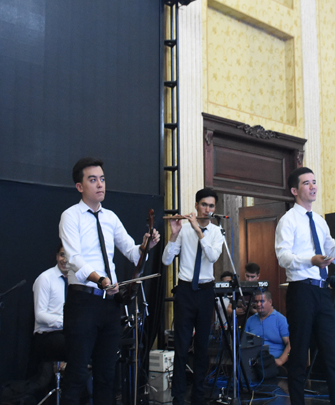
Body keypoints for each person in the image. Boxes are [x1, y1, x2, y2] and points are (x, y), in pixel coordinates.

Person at [59, 157, 160, 405]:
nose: (100, 184)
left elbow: (132, 252)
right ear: (80, 186)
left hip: (110, 304)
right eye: (93, 180)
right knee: (77, 372)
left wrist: (146, 246)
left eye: (102, 179)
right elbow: (74, 258)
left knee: (107, 375)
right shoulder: (70, 216)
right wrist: (100, 279)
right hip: (83, 302)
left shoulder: (110, 217)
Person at [275, 166, 335, 405]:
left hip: (322, 291)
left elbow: (334, 257)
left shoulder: (319, 221)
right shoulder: (288, 220)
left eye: (314, 182)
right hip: (301, 290)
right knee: (299, 352)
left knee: (332, 353)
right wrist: (310, 260)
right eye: (306, 183)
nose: (313, 187)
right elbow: (283, 257)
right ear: (294, 190)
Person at [162, 188, 225, 405]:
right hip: (186, 290)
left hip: (206, 291)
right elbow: (166, 260)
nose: (207, 209)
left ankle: (198, 395)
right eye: (204, 205)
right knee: (181, 346)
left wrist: (199, 231)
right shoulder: (184, 230)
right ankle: (178, 396)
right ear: (196, 205)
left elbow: (212, 256)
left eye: (211, 206)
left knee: (202, 346)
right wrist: (174, 234)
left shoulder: (216, 232)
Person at [29, 243, 69, 390]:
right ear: (57, 256)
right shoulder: (45, 278)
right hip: (46, 337)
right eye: (62, 255)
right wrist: (66, 323)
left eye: (69, 256)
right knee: (78, 346)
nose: (64, 259)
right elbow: (40, 315)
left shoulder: (77, 280)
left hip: (67, 333)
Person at [245, 291, 290, 370]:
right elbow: (244, 343)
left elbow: (290, 343)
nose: (258, 304)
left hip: (273, 363)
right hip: (253, 363)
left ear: (270, 302)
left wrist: (281, 360)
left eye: (262, 301)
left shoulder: (280, 320)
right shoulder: (250, 320)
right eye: (256, 301)